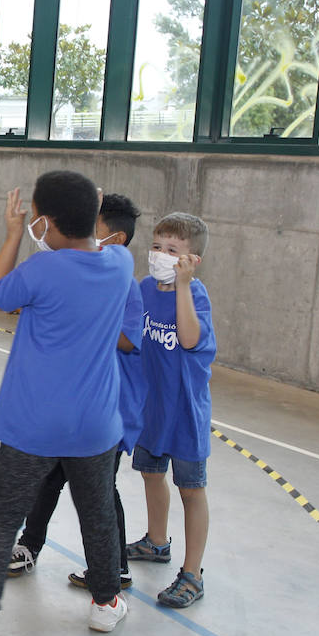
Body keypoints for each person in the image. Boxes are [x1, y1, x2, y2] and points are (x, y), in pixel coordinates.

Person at [0, 172, 132, 636]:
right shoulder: (120, 262)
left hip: (32, 425)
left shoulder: (41, 271)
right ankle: (105, 601)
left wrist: (13, 234)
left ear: (45, 221)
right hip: (95, 426)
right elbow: (97, 243)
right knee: (98, 517)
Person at [7, 193, 144, 591]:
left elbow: (127, 340)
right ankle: (29, 546)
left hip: (106, 410)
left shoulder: (125, 287)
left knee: (100, 489)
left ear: (114, 241)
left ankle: (115, 567)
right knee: (47, 478)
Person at [126, 211, 216, 609]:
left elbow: (189, 337)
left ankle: (192, 573)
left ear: (192, 260)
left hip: (184, 412)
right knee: (150, 473)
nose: (161, 255)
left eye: (173, 250)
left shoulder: (195, 295)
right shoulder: (144, 288)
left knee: (191, 490)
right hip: (151, 407)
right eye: (158, 247)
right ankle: (156, 541)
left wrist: (181, 286)